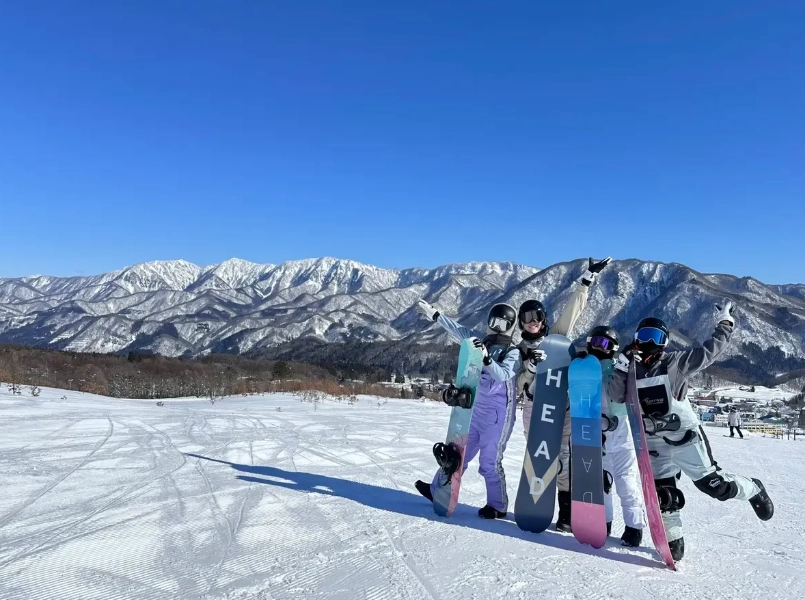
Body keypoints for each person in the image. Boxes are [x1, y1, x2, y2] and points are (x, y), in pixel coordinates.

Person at [607, 301, 774, 561]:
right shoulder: (629, 369)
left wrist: (725, 323)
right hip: (654, 443)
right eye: (644, 336)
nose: (649, 342)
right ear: (636, 340)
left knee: (714, 486)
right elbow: (616, 397)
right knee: (663, 493)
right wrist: (619, 367)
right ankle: (673, 539)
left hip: (684, 437)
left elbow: (711, 351)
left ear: (664, 343)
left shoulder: (675, 363)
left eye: (656, 337)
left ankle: (752, 488)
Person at [517, 257, 611, 532]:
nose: (532, 323)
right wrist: (530, 368)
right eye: (526, 319)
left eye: (536, 317)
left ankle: (566, 513)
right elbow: (517, 382)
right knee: (541, 455)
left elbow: (573, 311)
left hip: (563, 405)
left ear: (544, 319)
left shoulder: (555, 337)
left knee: (565, 460)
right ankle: (536, 501)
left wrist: (586, 281)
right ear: (521, 323)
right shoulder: (519, 349)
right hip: (535, 408)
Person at [413, 300, 521, 519]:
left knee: (489, 462)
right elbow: (459, 330)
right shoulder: (482, 342)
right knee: (457, 454)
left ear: (510, 326)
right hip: (476, 411)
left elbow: (501, 375)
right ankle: (437, 490)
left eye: (502, 324)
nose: (497, 327)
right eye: (494, 322)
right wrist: (435, 315)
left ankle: (497, 506)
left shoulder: (513, 352)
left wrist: (487, 359)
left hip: (498, 417)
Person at [584, 326, 645, 547]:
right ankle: (604, 523)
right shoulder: (584, 369)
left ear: (614, 348)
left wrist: (629, 361)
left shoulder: (620, 368)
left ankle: (634, 527)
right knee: (601, 484)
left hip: (621, 435)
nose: (600, 347)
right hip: (596, 436)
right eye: (596, 342)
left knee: (626, 482)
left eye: (606, 344)